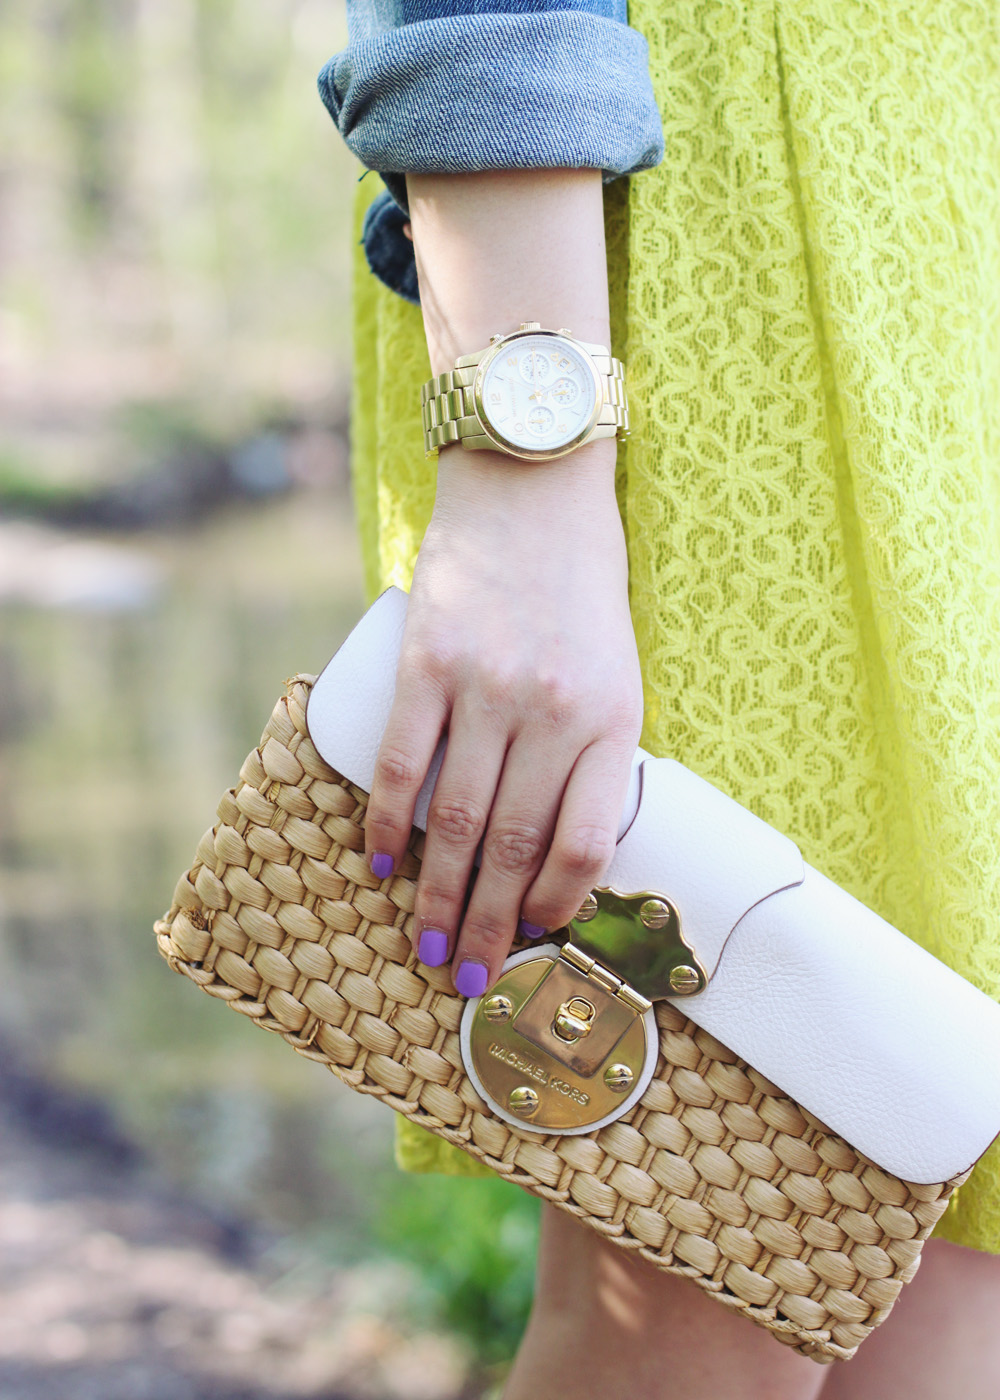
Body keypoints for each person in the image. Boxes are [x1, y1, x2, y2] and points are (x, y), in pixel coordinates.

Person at [319, 3, 1000, 1395]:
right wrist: (530, 468)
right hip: (720, 254)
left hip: (952, 229)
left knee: (946, 1240)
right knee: (710, 1285)